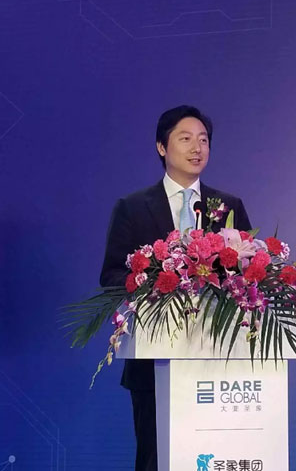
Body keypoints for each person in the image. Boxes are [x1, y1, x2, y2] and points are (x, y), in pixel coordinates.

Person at [100, 105, 252, 470]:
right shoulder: (132, 208)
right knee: (156, 459)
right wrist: (152, 281)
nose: (197, 148)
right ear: (161, 147)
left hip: (218, 363)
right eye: (185, 139)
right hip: (155, 363)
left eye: (204, 140)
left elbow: (249, 274)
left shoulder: (227, 206)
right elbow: (111, 277)